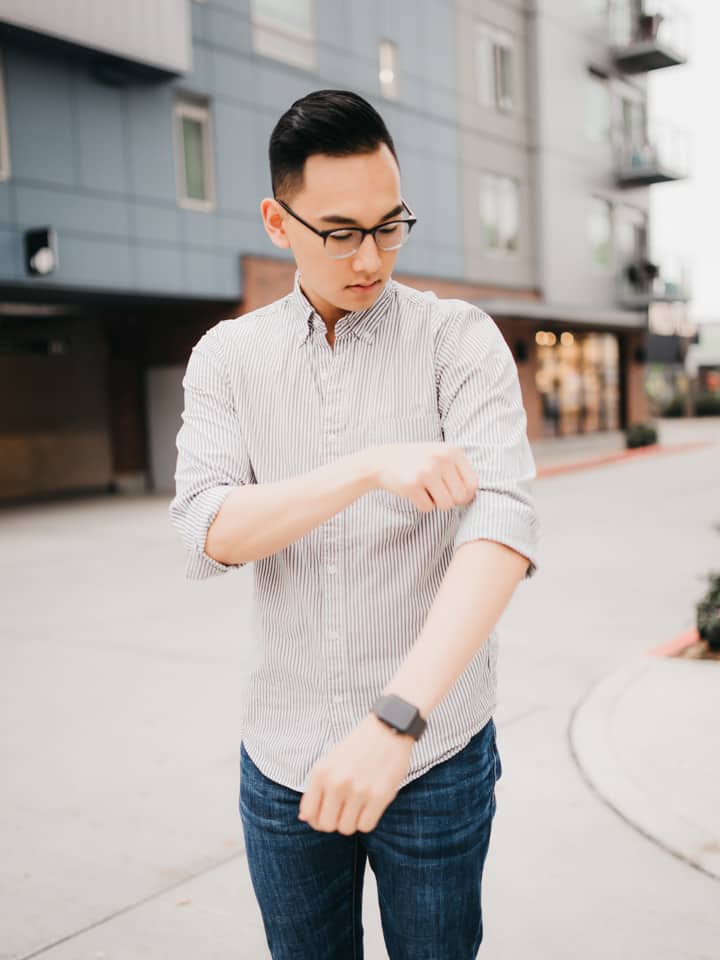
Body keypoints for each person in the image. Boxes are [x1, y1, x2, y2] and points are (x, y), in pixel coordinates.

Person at [169, 89, 540, 960]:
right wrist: (367, 467)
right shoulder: (229, 356)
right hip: (282, 757)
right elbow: (207, 531)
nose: (371, 258)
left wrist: (394, 722)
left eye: (391, 225)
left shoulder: (459, 339)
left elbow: (503, 531)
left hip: (434, 756)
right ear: (277, 219)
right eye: (341, 232)